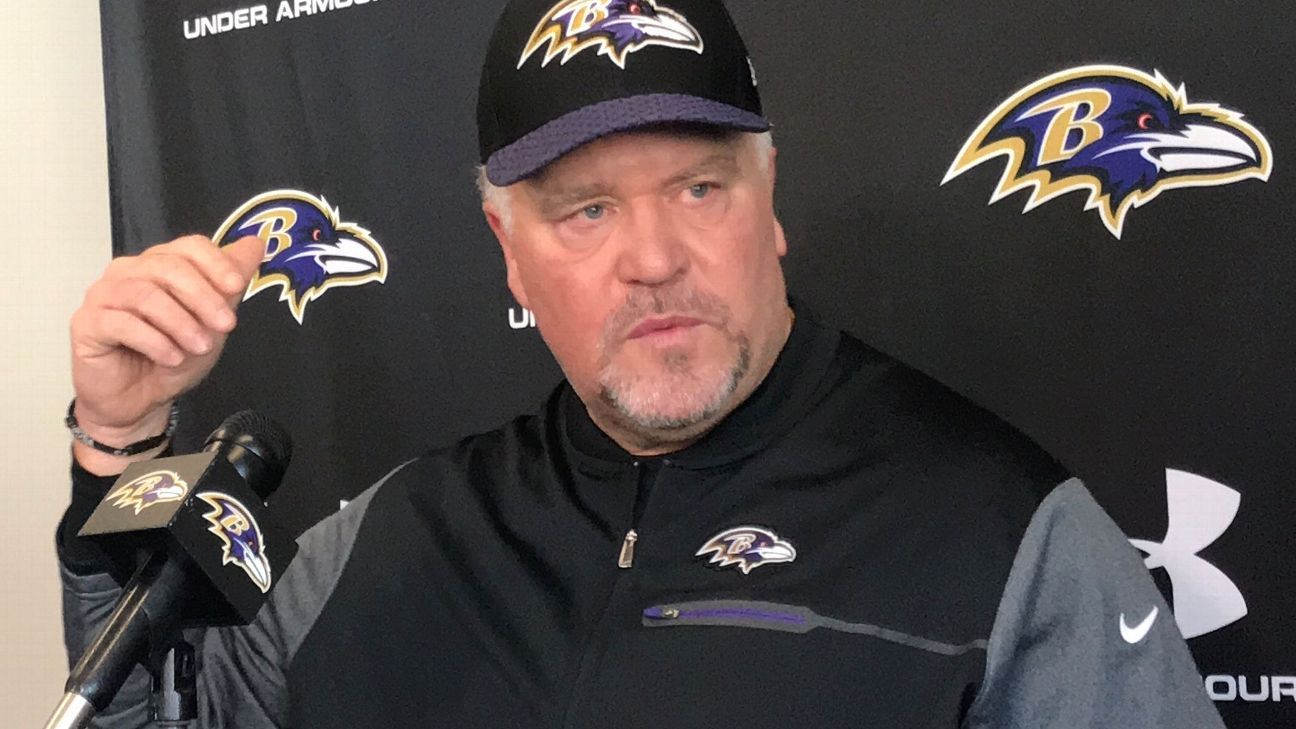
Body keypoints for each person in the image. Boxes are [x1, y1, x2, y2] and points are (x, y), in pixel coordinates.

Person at [58, 0, 1225, 726]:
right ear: (508, 259)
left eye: (699, 187)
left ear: (770, 207)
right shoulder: (390, 540)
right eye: (586, 213)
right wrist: (120, 447)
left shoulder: (1009, 538)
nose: (655, 258)